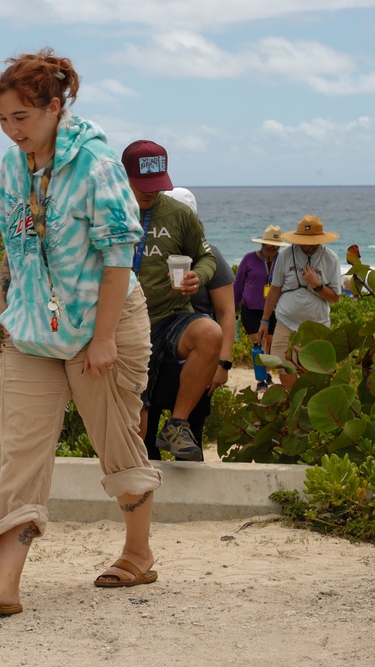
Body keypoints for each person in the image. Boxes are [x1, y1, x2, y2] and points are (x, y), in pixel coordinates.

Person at [0, 48, 162, 618]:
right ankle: (6, 585)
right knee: (19, 448)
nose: (11, 130)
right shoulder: (11, 170)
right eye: (2, 119)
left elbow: (120, 253)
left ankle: (138, 552)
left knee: (115, 438)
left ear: (54, 106)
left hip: (103, 321)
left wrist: (103, 337)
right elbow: (17, 243)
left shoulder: (94, 164)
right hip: (31, 325)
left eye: (21, 117)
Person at [122, 140, 222, 463]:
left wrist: (198, 276)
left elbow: (206, 258)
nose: (150, 194)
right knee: (137, 429)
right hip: (127, 322)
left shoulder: (178, 214)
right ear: (124, 177)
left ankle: (177, 425)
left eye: (156, 186)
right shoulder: (108, 213)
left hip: (171, 315)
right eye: (142, 187)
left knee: (211, 334)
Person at [142, 189, 235, 459]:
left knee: (191, 436)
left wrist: (223, 363)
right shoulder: (151, 250)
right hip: (157, 351)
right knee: (146, 436)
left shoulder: (210, 255)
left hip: (195, 359)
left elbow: (227, 313)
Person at [258, 215, 340, 389]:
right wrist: (265, 321)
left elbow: (335, 298)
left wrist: (317, 285)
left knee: (315, 374)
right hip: (285, 323)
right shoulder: (286, 255)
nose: (308, 245)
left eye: (312, 241)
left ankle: (306, 406)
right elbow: (275, 289)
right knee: (282, 365)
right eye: (304, 240)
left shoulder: (331, 259)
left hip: (317, 326)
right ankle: (292, 398)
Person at [234, 226, 288, 391]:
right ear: (262, 244)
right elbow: (237, 285)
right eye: (268, 244)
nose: (271, 248)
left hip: (275, 310)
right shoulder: (249, 259)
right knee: (259, 344)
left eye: (275, 245)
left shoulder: (282, 260)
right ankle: (261, 379)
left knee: (270, 344)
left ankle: (268, 374)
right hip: (251, 309)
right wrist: (233, 309)